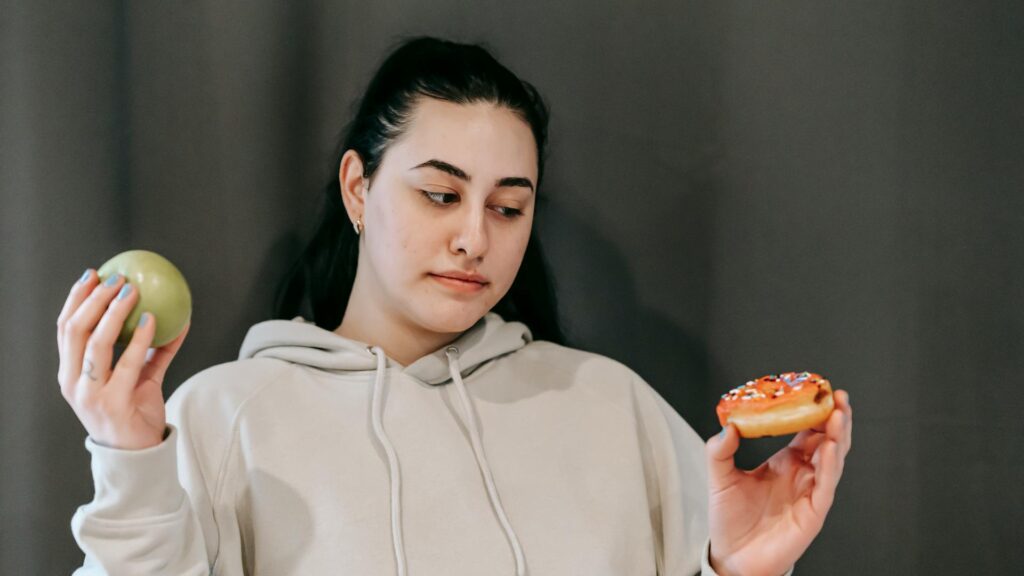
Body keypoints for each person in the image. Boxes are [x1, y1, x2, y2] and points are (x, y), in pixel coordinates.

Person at [57, 36, 853, 575]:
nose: (475, 237)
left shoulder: (613, 407)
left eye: (509, 208)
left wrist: (737, 570)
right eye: (441, 194)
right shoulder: (223, 418)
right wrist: (128, 458)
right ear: (357, 189)